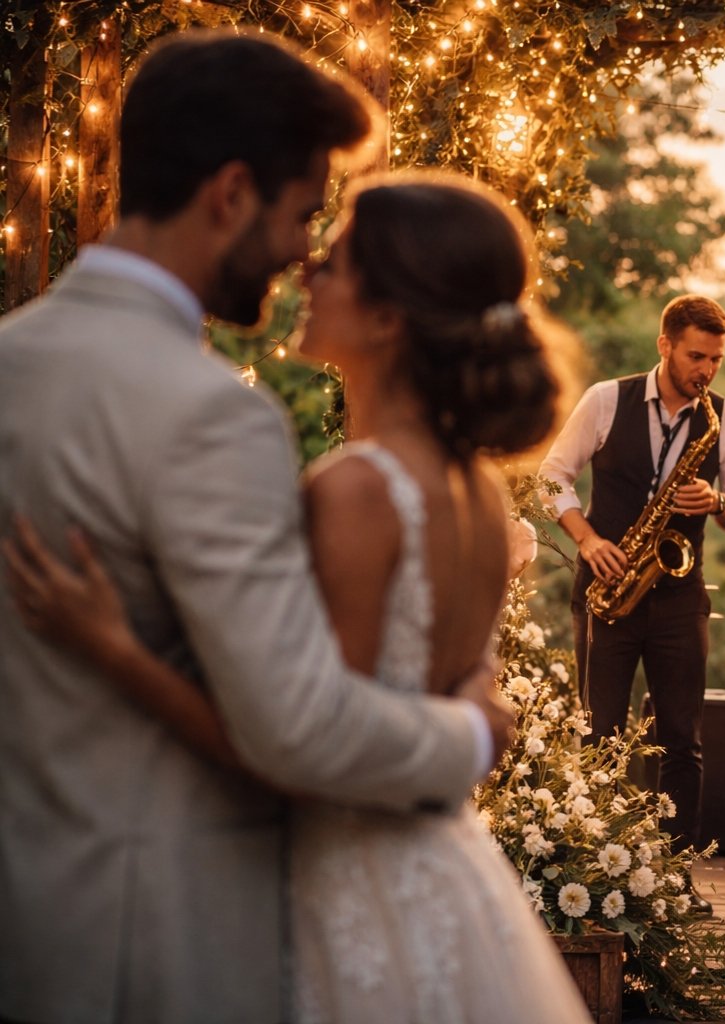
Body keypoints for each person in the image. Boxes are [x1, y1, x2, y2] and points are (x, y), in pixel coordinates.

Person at [0, 31, 555, 1023]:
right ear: (229, 193)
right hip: (163, 939)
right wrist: (473, 729)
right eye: (305, 217)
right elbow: (299, 725)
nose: (304, 257)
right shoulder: (215, 414)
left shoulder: (13, 362)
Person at [538, 294, 725, 911]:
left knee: (683, 740)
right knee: (600, 735)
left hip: (680, 598)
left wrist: (716, 504)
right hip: (607, 589)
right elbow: (552, 474)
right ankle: (593, 871)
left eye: (715, 359)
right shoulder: (607, 399)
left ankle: (673, 876)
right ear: (664, 345)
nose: (706, 371)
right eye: (696, 356)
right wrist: (587, 539)